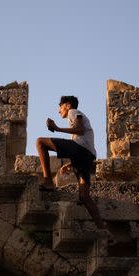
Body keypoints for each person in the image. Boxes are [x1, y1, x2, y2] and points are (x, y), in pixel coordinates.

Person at [36, 96, 107, 230]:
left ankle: (48, 181)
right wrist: (70, 164)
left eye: (60, 106)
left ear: (67, 105)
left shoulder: (73, 112)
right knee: (84, 196)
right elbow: (83, 143)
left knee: (40, 142)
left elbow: (80, 130)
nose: (58, 111)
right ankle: (102, 228)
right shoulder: (77, 117)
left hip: (81, 150)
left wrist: (57, 128)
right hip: (87, 155)